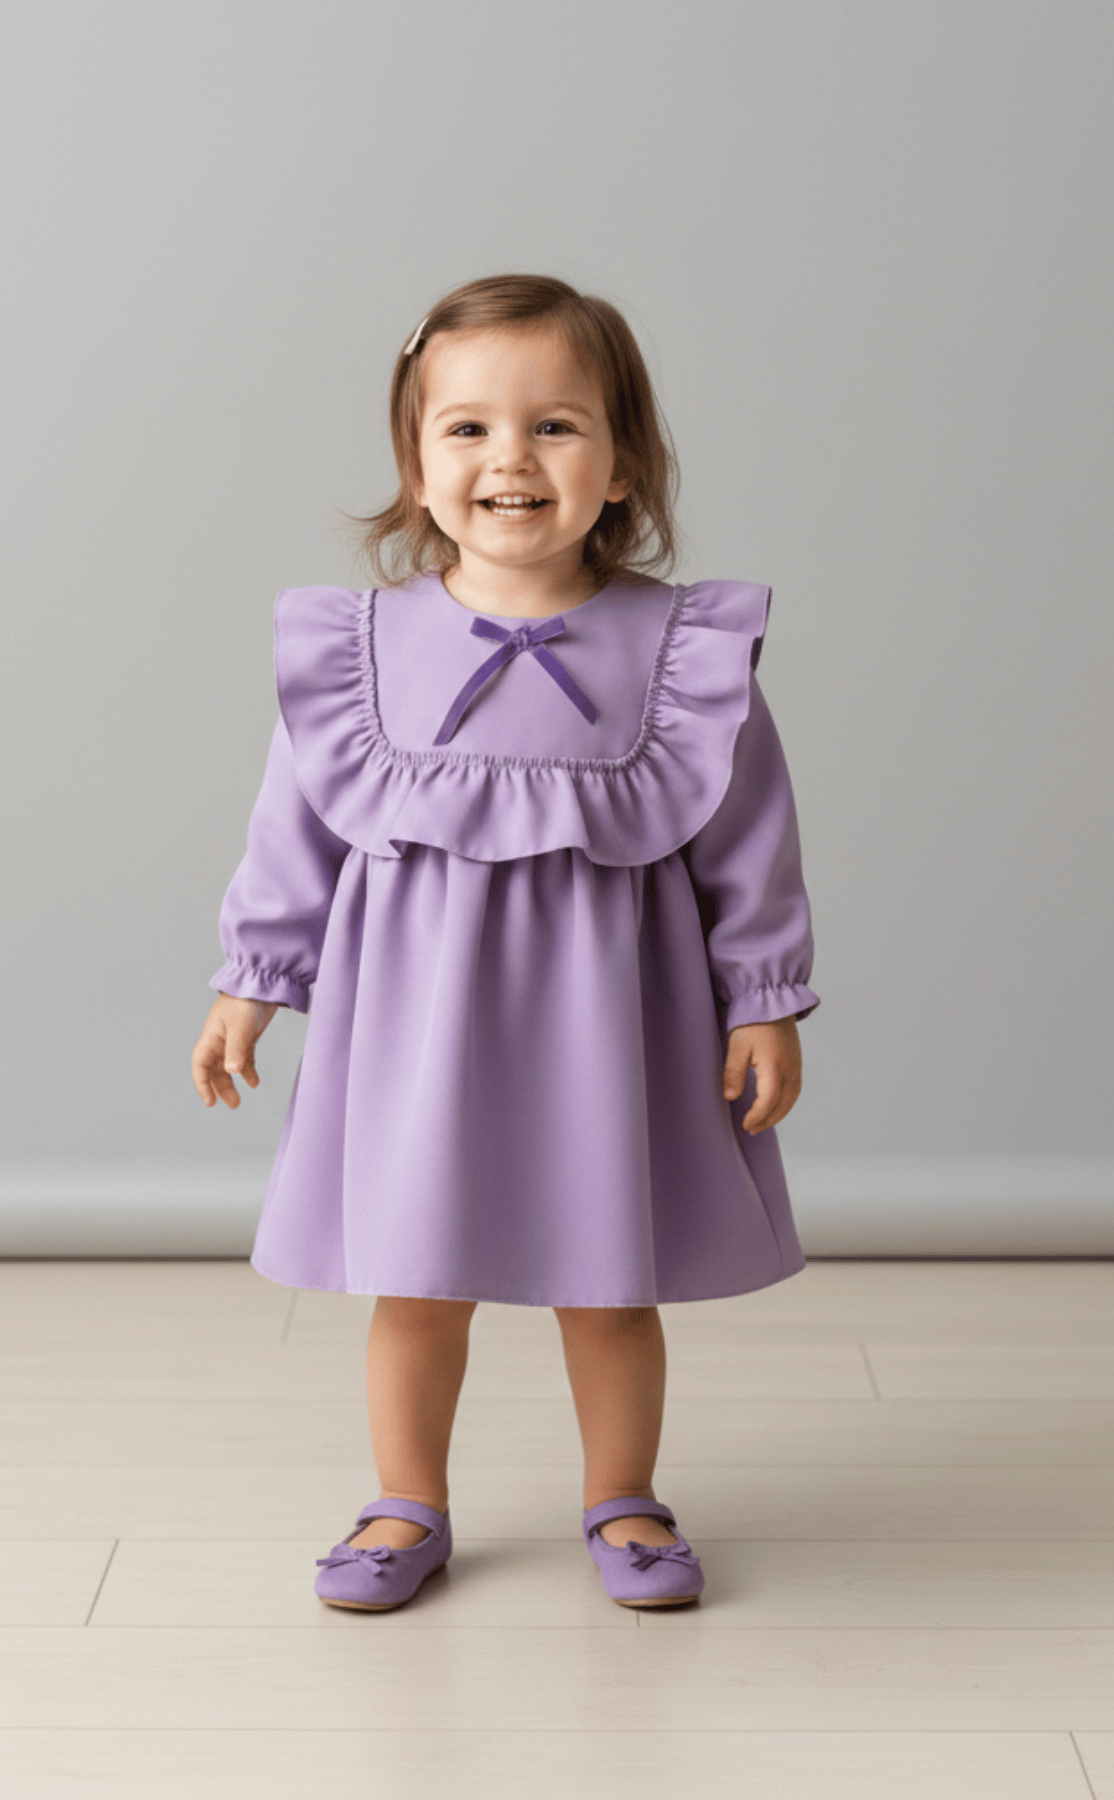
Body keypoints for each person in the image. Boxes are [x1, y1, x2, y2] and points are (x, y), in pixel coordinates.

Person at [191, 274, 820, 1613]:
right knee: (415, 1278)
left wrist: (762, 998)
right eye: (467, 428)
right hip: (415, 1018)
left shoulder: (682, 653)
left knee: (610, 1280)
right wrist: (252, 983)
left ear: (622, 464)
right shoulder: (359, 651)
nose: (510, 460)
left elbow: (749, 837)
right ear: (417, 465)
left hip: (613, 1018)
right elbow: (294, 829)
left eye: (555, 426)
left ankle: (625, 1495)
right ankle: (404, 1500)